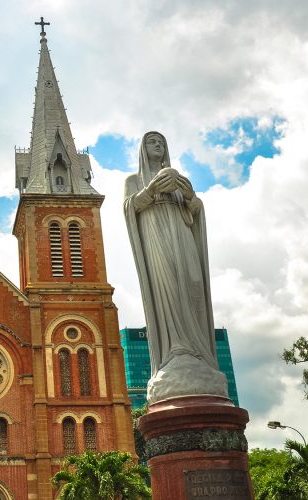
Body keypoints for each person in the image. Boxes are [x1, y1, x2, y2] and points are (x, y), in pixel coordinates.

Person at [124, 131, 227, 402]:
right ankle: (175, 350)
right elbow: (130, 208)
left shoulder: (181, 181)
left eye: (161, 142)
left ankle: (198, 351)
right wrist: (152, 190)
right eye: (151, 141)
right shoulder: (134, 181)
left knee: (192, 286)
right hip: (156, 240)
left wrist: (191, 196)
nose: (157, 145)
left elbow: (195, 210)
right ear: (142, 149)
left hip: (182, 239)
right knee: (166, 287)